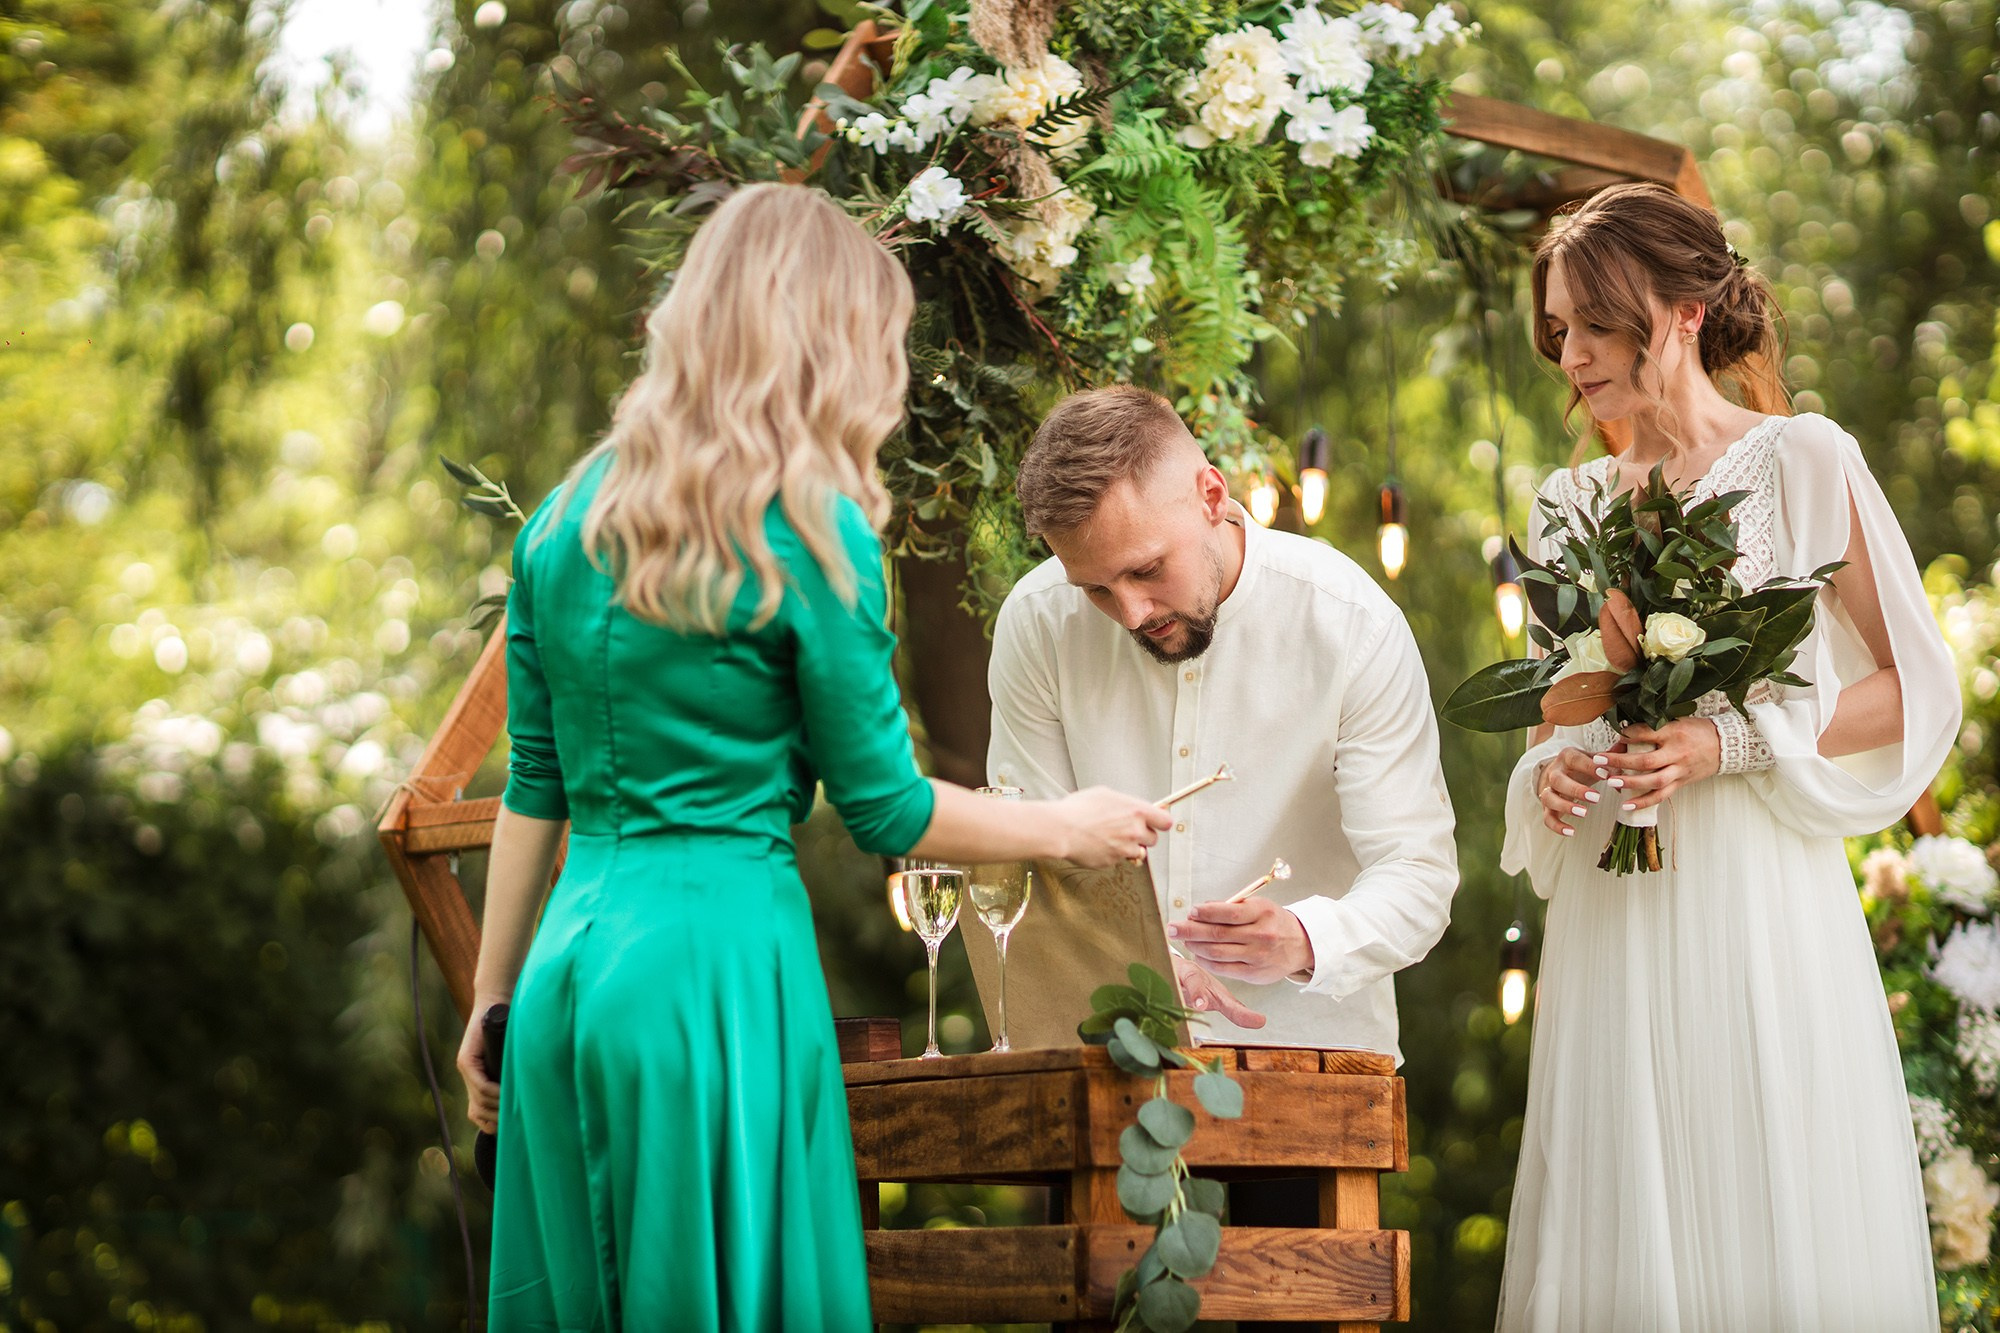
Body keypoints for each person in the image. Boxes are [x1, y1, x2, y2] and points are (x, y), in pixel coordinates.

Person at [454, 183, 1170, 1332]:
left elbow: (531, 783)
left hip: (564, 978)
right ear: (830, 341)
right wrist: (1065, 824)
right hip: (712, 967)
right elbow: (884, 805)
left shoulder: (562, 521)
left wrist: (489, 1003)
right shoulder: (807, 524)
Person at [1497, 182, 1957, 1331]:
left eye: (1598, 325)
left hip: (1754, 900)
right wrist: (1548, 771)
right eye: (1560, 329)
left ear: (1686, 311)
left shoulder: (1802, 459)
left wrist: (1727, 738)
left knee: (1765, 1194)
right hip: (1613, 914)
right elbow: (1562, 709)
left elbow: (1911, 684)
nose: (1574, 355)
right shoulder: (1565, 506)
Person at [986, 385, 1459, 1246]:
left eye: (1144, 569)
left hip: (1314, 1072)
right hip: (1105, 1075)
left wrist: (1306, 939)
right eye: (1094, 587)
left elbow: (1421, 877)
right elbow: (1026, 854)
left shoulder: (1349, 624)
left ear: (1211, 496)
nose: (1129, 612)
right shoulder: (1036, 624)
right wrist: (1132, 956)